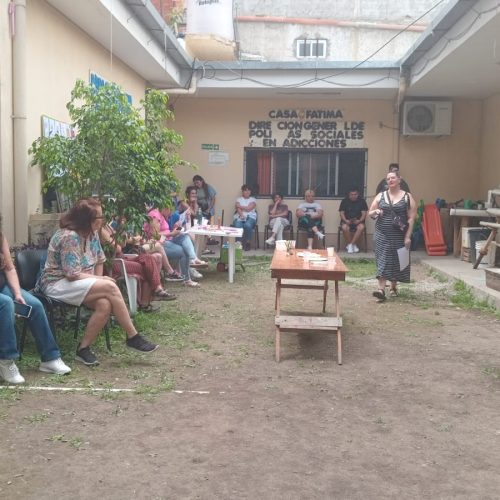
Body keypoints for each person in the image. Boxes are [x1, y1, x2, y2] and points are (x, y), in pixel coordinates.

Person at [39, 198, 158, 366]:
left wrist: (98, 284)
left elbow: (100, 260)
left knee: (105, 303)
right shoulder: (70, 237)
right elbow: (71, 274)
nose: (103, 220)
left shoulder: (92, 233)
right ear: (87, 220)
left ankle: (83, 349)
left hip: (78, 282)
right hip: (56, 283)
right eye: (99, 217)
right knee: (109, 285)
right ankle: (133, 336)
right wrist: (100, 281)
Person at [0, 216, 71, 384]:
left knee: (34, 305)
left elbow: (9, 269)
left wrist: (17, 293)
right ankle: (6, 361)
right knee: (6, 304)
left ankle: (50, 358)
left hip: (3, 286)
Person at [100, 223, 177, 312]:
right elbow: (117, 248)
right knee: (147, 269)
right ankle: (148, 301)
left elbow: (123, 244)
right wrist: (117, 239)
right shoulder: (100, 230)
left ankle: (157, 290)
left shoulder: (107, 226)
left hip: (123, 258)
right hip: (114, 263)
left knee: (148, 258)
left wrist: (122, 229)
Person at [368, 170, 417, 300]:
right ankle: (381, 290)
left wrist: (407, 237)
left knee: (397, 260)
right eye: (388, 178)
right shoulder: (381, 196)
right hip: (382, 233)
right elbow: (370, 213)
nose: (390, 180)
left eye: (393, 178)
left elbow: (411, 218)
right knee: (383, 259)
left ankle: (393, 287)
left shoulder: (407, 197)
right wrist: (376, 211)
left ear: (399, 179)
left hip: (399, 234)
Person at [144, 206, 206, 287]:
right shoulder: (154, 215)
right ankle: (187, 278)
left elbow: (165, 232)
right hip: (159, 243)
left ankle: (194, 258)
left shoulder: (162, 216)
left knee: (185, 236)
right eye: (170, 211)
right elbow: (154, 235)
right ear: (166, 208)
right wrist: (172, 233)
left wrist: (175, 229)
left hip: (167, 240)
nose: (171, 214)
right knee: (184, 251)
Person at [339, 188, 368, 253]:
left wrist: (359, 221)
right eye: (351, 194)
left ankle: (350, 245)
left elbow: (364, 214)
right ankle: (353, 245)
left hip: (358, 221)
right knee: (344, 227)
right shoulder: (344, 201)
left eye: (355, 194)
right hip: (347, 221)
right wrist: (346, 220)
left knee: (361, 227)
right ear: (349, 195)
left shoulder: (362, 201)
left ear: (358, 195)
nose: (353, 196)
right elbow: (341, 213)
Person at [233, 184, 257, 251]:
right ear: (242, 192)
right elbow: (238, 209)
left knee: (248, 225)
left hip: (250, 217)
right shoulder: (239, 199)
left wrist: (240, 206)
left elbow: (249, 208)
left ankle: (247, 243)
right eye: (245, 190)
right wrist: (241, 215)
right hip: (240, 216)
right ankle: (238, 244)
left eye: (248, 190)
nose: (247, 192)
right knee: (237, 225)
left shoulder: (253, 199)